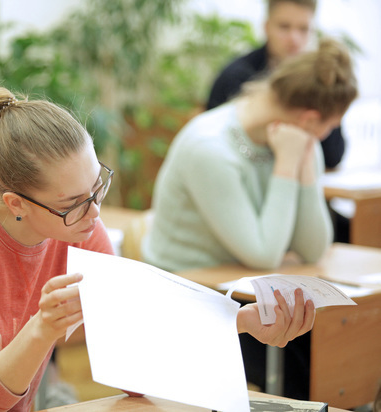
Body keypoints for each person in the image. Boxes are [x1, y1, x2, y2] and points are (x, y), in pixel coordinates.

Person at [0, 85, 316, 411]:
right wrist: (41, 330)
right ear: (16, 203)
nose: (95, 214)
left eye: (97, 187)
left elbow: (130, 360)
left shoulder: (76, 227)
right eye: (74, 204)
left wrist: (242, 322)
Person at [143, 38, 357, 399]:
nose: (326, 137)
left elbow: (313, 247)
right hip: (190, 303)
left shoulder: (295, 139)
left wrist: (303, 164)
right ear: (309, 119)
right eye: (329, 127)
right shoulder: (209, 148)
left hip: (243, 289)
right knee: (304, 364)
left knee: (328, 342)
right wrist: (288, 164)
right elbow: (263, 255)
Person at [206, 0, 351, 244]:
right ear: (267, 27)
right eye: (285, 27)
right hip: (248, 200)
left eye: (303, 29)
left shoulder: (321, 80)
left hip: (300, 189)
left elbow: (334, 153)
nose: (294, 38)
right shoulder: (237, 76)